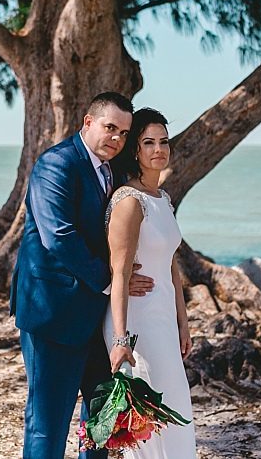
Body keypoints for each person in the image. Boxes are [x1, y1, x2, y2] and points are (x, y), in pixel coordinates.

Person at [12, 92, 153, 459]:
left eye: (124, 133)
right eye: (110, 128)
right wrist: (112, 281)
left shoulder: (114, 171)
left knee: (101, 421)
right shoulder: (55, 165)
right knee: (49, 424)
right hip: (54, 313)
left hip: (101, 318)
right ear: (88, 123)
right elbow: (59, 236)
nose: (117, 139)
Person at [102, 107, 196, 458]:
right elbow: (121, 274)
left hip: (163, 322)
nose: (159, 149)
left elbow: (171, 266)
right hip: (137, 322)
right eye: (149, 142)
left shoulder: (163, 199)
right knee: (150, 421)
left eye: (164, 141)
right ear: (136, 150)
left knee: (176, 411)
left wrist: (183, 324)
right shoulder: (129, 201)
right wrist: (120, 339)